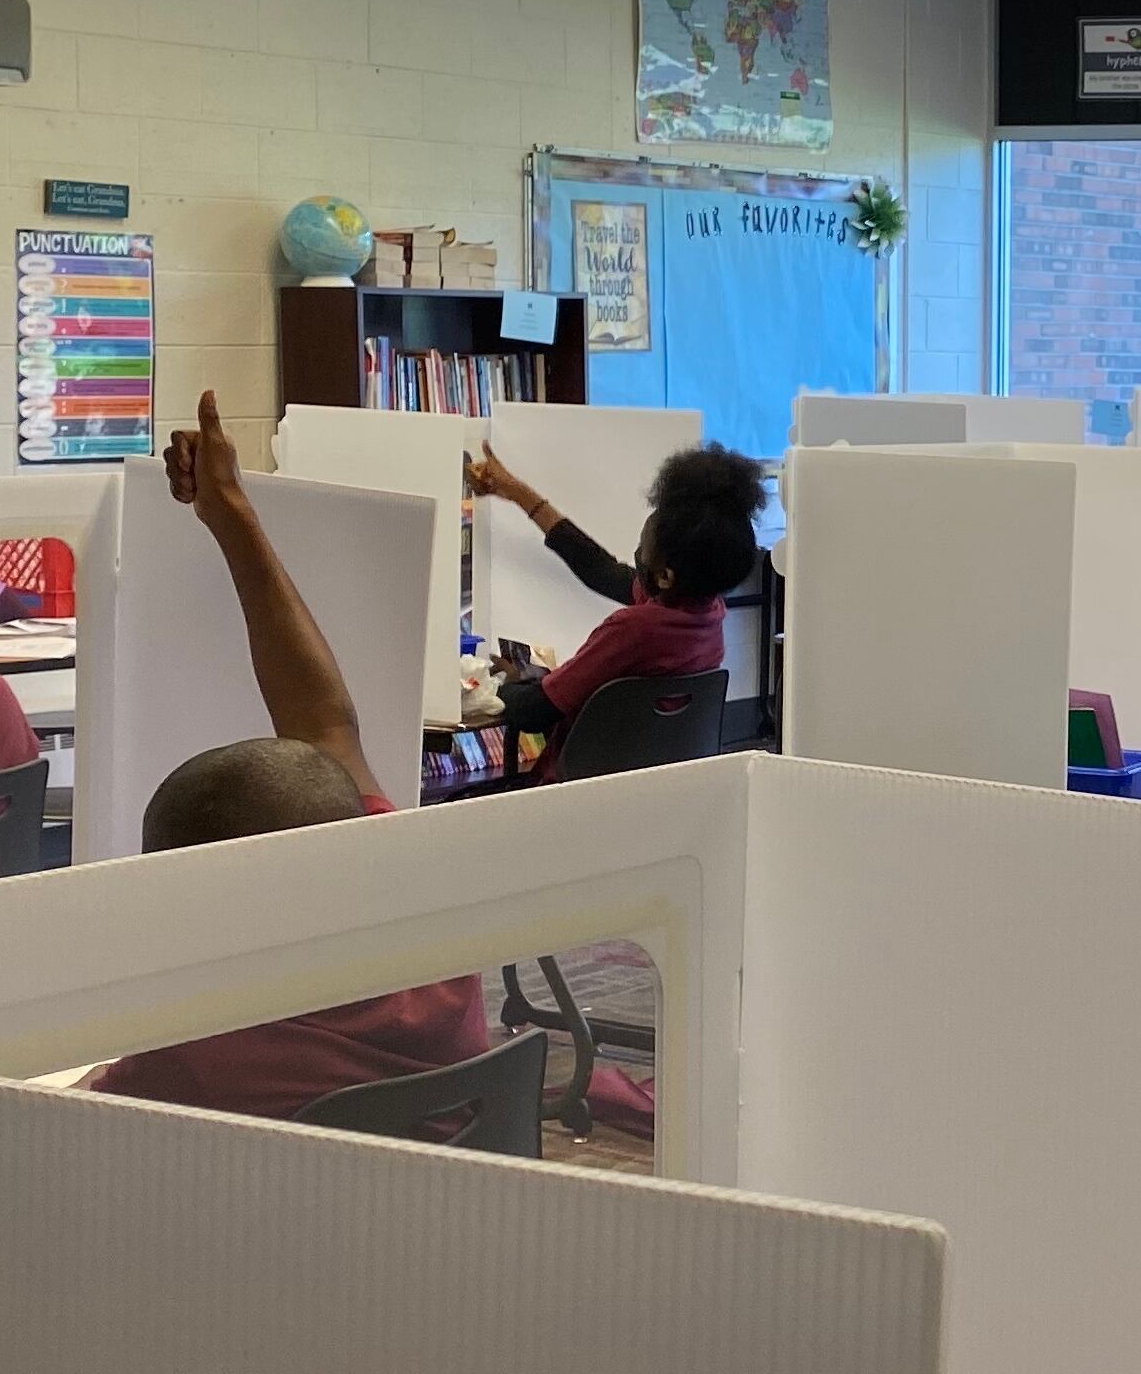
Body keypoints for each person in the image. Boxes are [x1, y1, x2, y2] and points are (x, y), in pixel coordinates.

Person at [83, 392, 488, 1120]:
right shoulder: (438, 952)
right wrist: (230, 512)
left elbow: (66, 1129)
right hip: (445, 1222)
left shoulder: (202, 1052)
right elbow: (325, 721)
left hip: (290, 1232)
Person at [463, 441, 763, 763]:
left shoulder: (633, 630)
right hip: (644, 786)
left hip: (578, 791)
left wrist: (501, 682)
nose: (637, 555)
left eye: (644, 547)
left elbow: (535, 711)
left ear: (664, 576)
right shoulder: (705, 615)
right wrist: (517, 491)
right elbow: (600, 570)